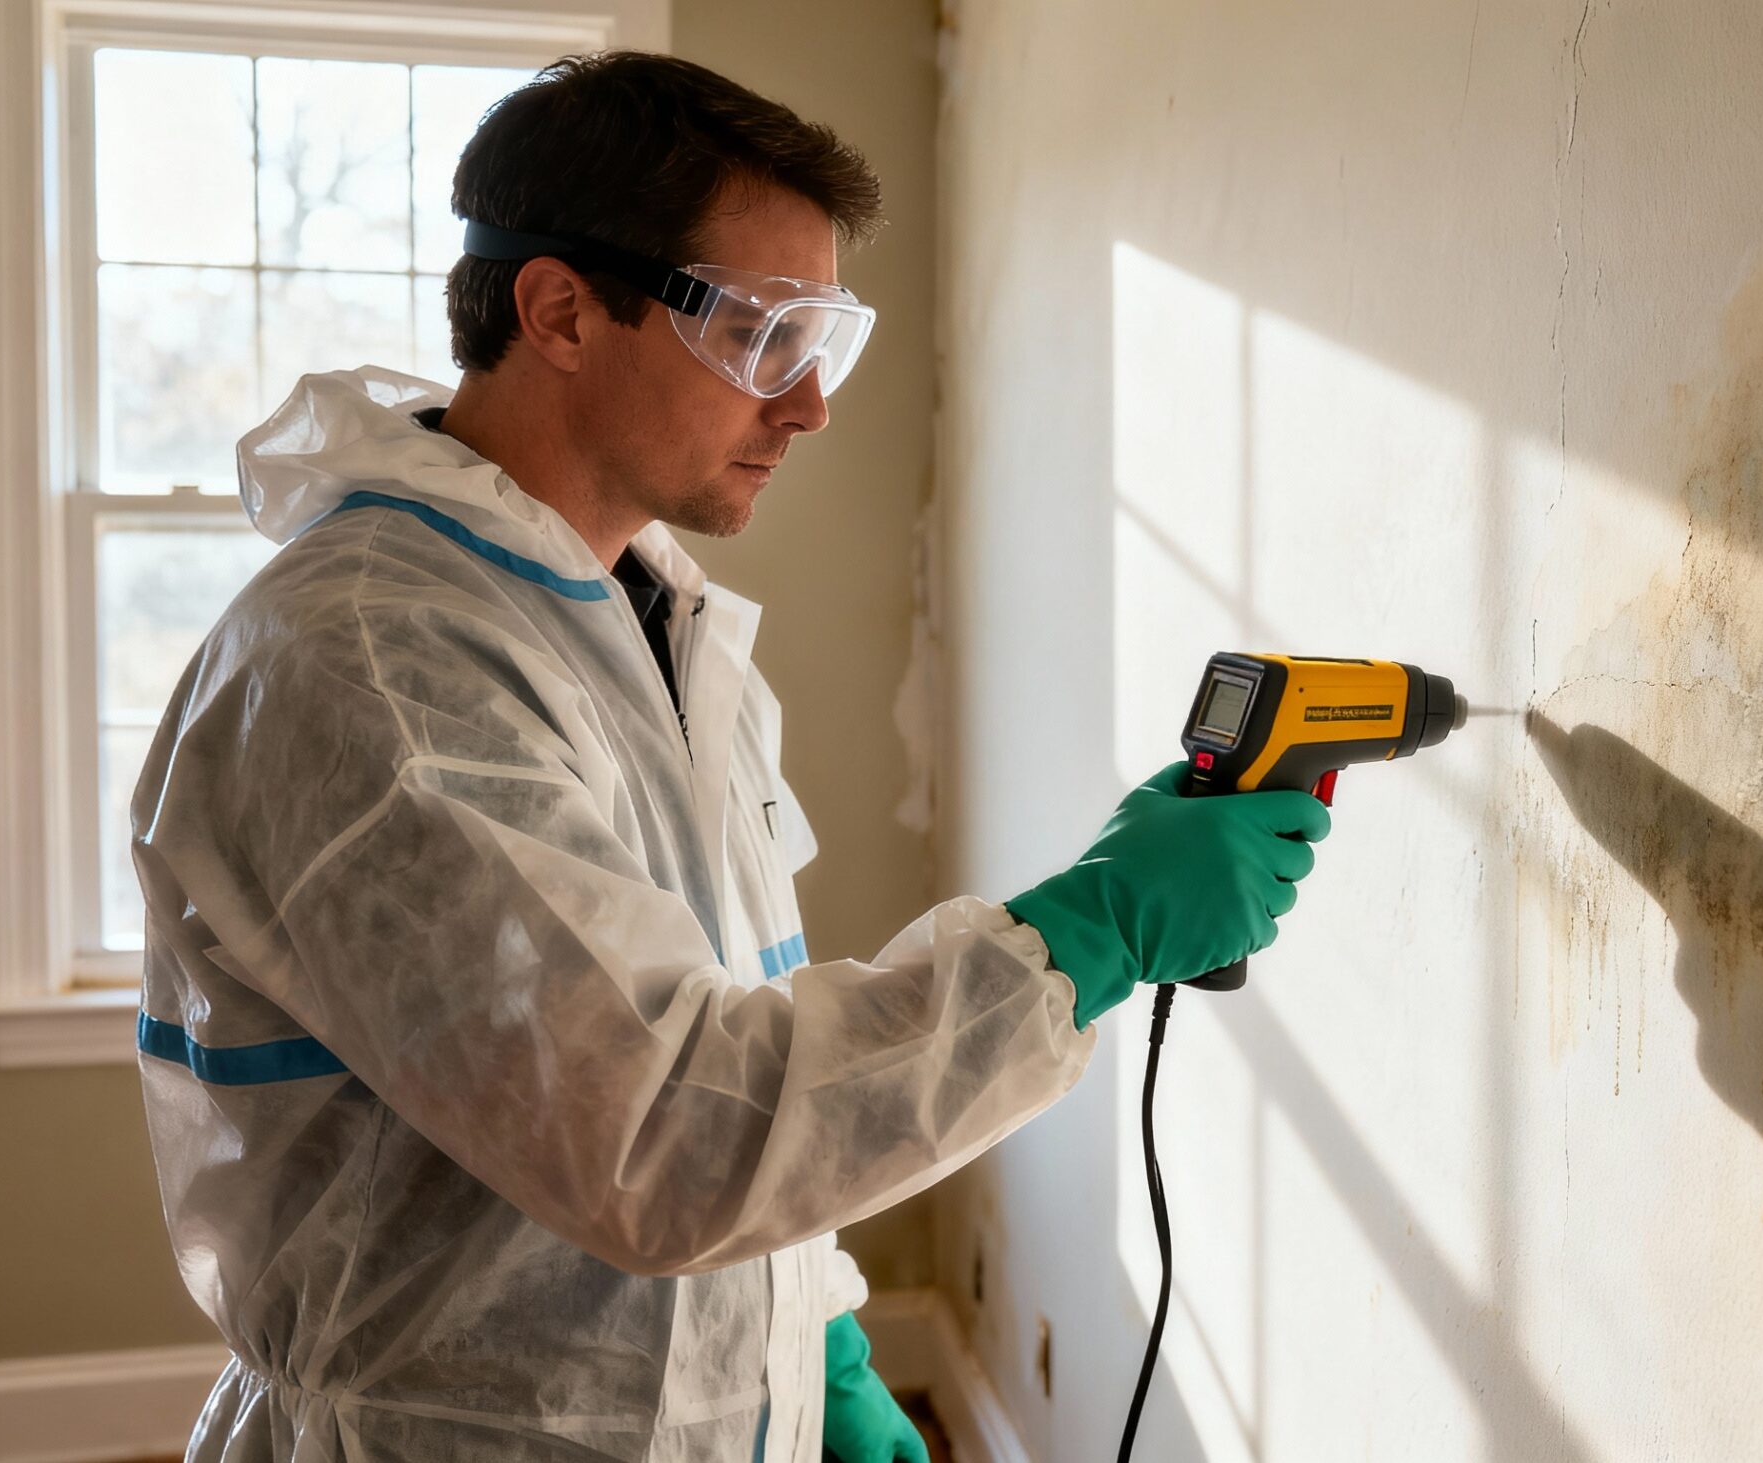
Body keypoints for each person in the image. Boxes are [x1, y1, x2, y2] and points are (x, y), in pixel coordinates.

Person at [131, 51, 1331, 1463]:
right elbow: (662, 1134)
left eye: (827, 335)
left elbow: (730, 1001)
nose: (812, 403)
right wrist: (1085, 935)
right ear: (561, 310)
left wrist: (812, 1331)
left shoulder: (653, 619)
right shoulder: (373, 664)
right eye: (765, 331)